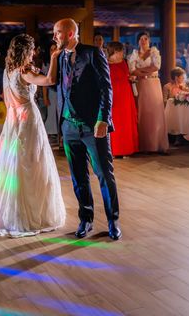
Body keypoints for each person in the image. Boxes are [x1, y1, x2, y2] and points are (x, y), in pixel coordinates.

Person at [0, 35, 65, 237]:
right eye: (32, 50)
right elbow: (50, 80)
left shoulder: (9, 71)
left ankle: (12, 212)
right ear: (26, 51)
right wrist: (54, 57)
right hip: (28, 118)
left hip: (14, 118)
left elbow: (6, 96)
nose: (34, 53)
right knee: (32, 163)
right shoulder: (25, 72)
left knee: (16, 164)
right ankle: (29, 213)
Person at [54, 18, 121, 240]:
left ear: (71, 33)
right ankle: (86, 219)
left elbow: (106, 88)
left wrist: (103, 119)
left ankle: (113, 221)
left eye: (58, 33)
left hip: (93, 127)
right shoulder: (59, 57)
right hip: (68, 126)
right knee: (78, 177)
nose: (55, 37)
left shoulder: (93, 53)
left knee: (103, 174)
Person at [128, 32, 169, 154]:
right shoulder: (135, 54)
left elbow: (156, 67)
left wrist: (140, 71)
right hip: (141, 85)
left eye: (145, 38)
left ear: (149, 40)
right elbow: (132, 70)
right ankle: (144, 145)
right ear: (138, 41)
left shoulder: (154, 51)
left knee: (155, 113)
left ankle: (158, 145)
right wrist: (144, 72)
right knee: (142, 113)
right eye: (141, 39)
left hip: (153, 84)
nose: (143, 41)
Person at [107, 41, 139, 158]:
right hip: (114, 97)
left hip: (126, 96)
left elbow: (126, 76)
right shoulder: (106, 65)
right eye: (120, 52)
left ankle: (127, 149)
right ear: (114, 52)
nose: (122, 54)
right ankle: (115, 151)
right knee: (116, 123)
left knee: (126, 122)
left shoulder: (124, 63)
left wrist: (130, 78)